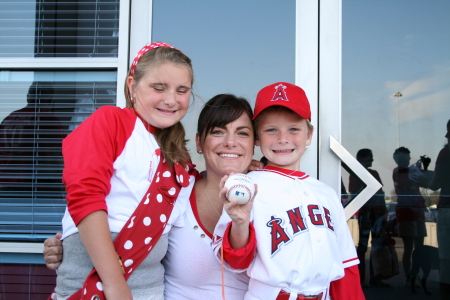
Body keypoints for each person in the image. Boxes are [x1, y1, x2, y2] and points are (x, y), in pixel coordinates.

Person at [44, 94, 260, 299]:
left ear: (254, 143)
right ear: (199, 143)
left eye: (242, 133)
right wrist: (70, 246)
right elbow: (121, 218)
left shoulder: (273, 194)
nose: (230, 142)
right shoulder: (176, 191)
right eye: (218, 132)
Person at [49, 42, 197, 300]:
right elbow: (85, 196)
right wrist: (115, 283)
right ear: (132, 86)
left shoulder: (181, 159)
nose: (171, 99)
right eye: (158, 88)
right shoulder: (111, 121)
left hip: (152, 290)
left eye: (182, 90)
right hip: (97, 289)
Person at [213, 82, 365, 300]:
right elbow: (233, 262)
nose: (282, 139)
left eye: (294, 129)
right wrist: (240, 223)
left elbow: (346, 265)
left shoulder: (327, 194)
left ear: (309, 135)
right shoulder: (247, 187)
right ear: (257, 138)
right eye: (271, 130)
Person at [348, 149, 388, 287]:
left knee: (377, 245)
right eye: (368, 159)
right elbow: (355, 193)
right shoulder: (355, 174)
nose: (371, 161)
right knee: (363, 246)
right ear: (360, 160)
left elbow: (380, 193)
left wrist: (384, 213)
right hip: (366, 212)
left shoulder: (373, 173)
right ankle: (361, 278)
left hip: (376, 212)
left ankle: (374, 277)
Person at [392, 146, 427, 286]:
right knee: (409, 247)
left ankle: (414, 274)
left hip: (416, 212)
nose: (408, 160)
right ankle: (409, 275)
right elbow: (409, 182)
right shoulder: (399, 171)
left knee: (418, 247)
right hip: (407, 213)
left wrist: (419, 168)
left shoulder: (407, 171)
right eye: (406, 157)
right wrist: (418, 168)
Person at [427, 119, 450, 299]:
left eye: (448, 131)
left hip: (447, 209)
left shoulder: (446, 153)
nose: (445, 135)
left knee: (446, 258)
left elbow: (435, 183)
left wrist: (421, 178)